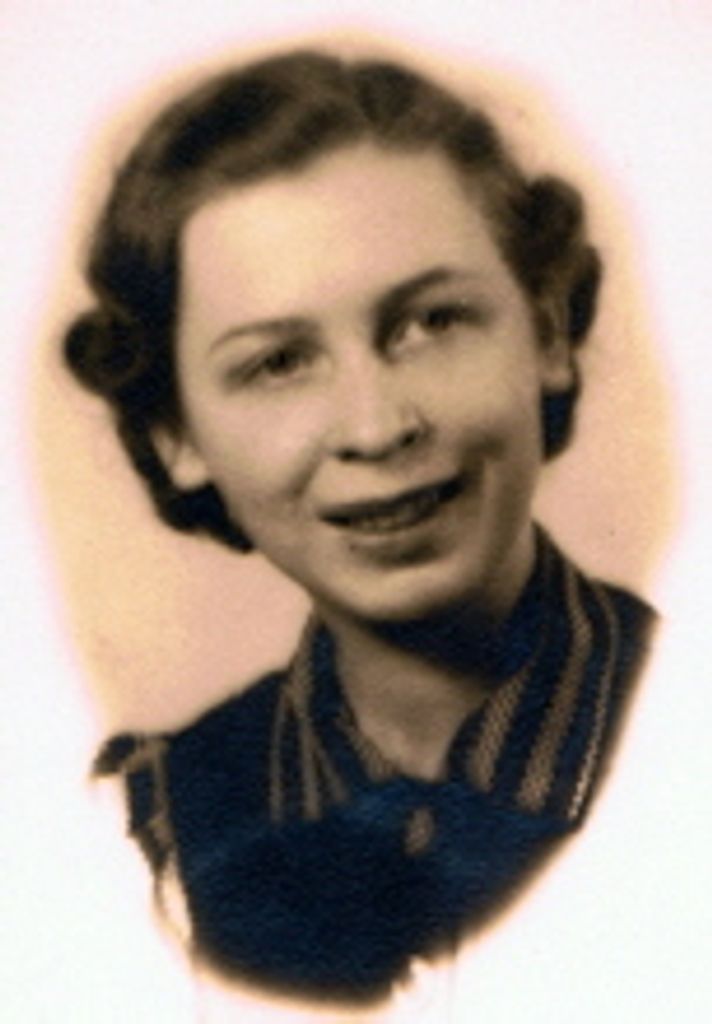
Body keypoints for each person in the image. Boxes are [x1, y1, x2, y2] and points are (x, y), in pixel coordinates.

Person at [63, 47, 655, 1003]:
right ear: (177, 435)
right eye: (278, 363)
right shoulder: (137, 838)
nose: (378, 428)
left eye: (433, 322)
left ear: (545, 331)